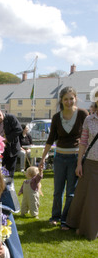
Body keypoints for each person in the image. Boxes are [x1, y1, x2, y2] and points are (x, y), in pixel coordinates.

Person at [38, 87, 88, 230]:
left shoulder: (82, 114)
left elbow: (87, 137)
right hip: (59, 157)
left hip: (75, 158)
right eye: (65, 99)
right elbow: (50, 139)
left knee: (71, 192)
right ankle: (55, 217)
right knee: (58, 190)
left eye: (71, 98)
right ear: (61, 100)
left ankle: (66, 220)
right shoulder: (56, 117)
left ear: (75, 98)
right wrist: (42, 159)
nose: (68, 101)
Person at [66, 98, 98, 240]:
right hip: (91, 163)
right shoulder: (89, 119)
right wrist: (79, 163)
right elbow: (83, 142)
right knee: (89, 197)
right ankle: (86, 228)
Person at [0, 109, 22, 178]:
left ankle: (9, 185)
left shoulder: (11, 118)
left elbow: (19, 130)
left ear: (0, 115)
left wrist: (7, 139)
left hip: (11, 148)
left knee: (10, 170)